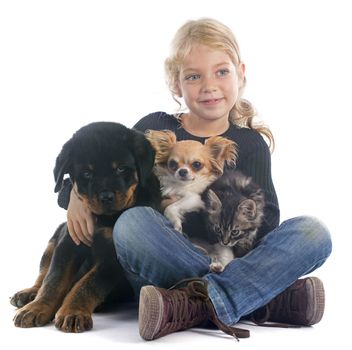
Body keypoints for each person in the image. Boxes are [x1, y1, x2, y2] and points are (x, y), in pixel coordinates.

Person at [59, 18, 332, 340]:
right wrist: (74, 194)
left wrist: (221, 218)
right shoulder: (154, 127)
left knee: (313, 232)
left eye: (221, 71)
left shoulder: (250, 144)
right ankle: (260, 299)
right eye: (193, 76)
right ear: (176, 84)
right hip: (157, 261)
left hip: (223, 259)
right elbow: (105, 167)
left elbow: (267, 223)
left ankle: (187, 305)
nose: (209, 85)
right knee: (133, 222)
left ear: (240, 73)